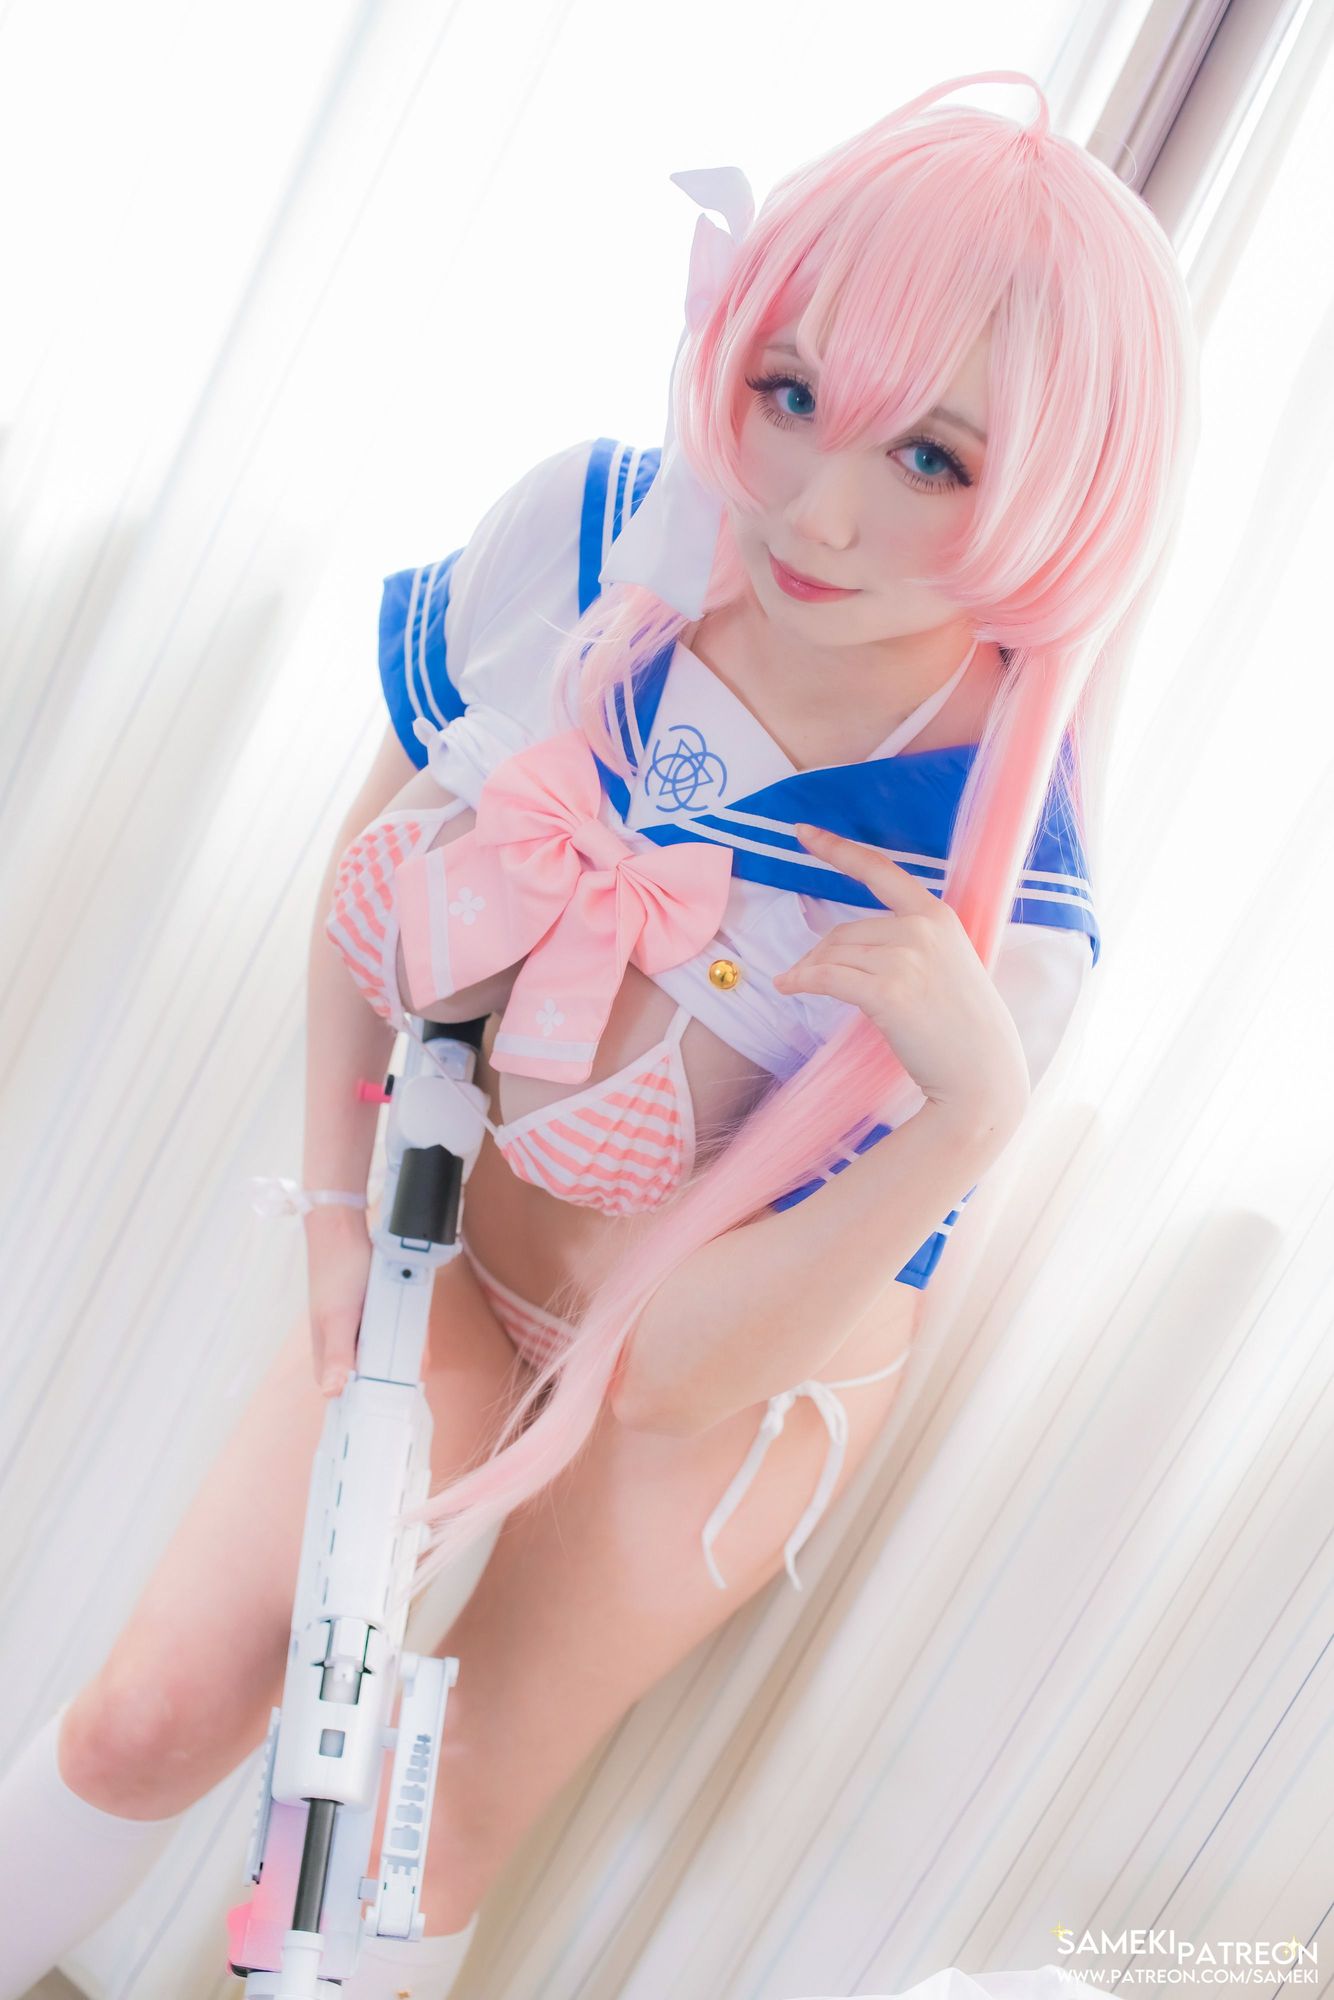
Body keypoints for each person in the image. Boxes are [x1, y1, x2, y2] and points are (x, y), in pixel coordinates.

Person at [0, 68, 1199, 2000]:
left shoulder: (995, 897)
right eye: (790, 391)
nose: (817, 506)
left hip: (721, 1386)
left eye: (932, 457)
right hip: (453, 1238)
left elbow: (662, 1382)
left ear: (1065, 492)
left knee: (392, 1850)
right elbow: (379, 861)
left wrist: (966, 1117)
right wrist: (337, 1217)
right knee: (162, 1707)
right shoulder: (585, 537)